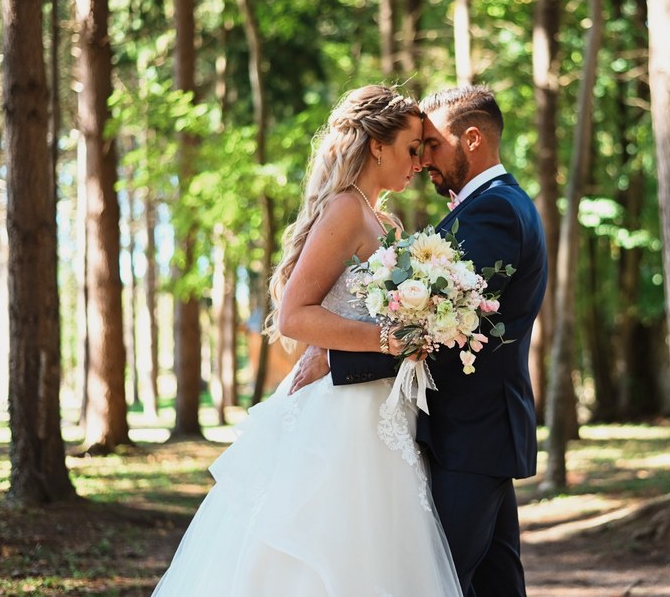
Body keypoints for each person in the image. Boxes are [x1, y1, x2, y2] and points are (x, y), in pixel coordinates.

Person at [151, 85, 462, 597]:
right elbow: (295, 315)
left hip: (384, 411)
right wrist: (388, 339)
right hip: (338, 414)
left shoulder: (384, 221)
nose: (418, 162)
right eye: (411, 149)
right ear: (377, 146)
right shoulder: (345, 209)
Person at [293, 85, 548, 597]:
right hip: (472, 432)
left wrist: (337, 358)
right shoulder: (491, 205)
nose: (423, 160)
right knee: (491, 582)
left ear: (471, 139)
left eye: (431, 145)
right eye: (416, 146)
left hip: (472, 433)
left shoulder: (494, 211)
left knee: (436, 581)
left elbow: (443, 324)